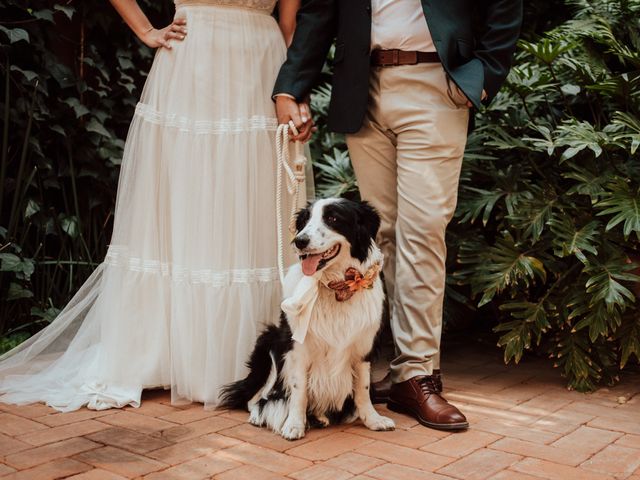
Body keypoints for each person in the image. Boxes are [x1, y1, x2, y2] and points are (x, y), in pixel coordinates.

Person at [0, 0, 307, 412]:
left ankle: (250, 358)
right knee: (190, 194)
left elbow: (288, 24)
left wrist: (293, 91)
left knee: (250, 199)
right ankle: (172, 355)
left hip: (262, 65)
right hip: (192, 60)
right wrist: (146, 30)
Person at [274, 0, 523, 430]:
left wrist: (483, 77)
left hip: (436, 83)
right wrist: (289, 88)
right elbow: (320, 12)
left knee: (423, 230)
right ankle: (408, 368)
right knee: (382, 237)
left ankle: (417, 373)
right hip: (362, 88)